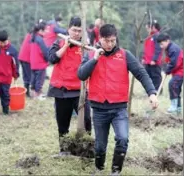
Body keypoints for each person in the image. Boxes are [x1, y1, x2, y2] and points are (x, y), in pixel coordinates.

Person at [78, 24, 158, 175]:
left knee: (123, 138)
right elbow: (81, 75)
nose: (109, 44)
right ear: (100, 38)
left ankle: (116, 171)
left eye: (113, 41)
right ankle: (99, 168)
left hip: (119, 109)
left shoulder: (125, 55)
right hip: (99, 108)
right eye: (106, 41)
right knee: (100, 145)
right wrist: (95, 59)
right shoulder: (90, 55)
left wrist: (152, 93)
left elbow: (141, 73)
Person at [47, 16, 91, 153]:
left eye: (79, 31)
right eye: (74, 30)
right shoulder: (59, 42)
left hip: (80, 90)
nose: (76, 33)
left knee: (86, 120)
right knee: (62, 121)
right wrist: (66, 45)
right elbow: (52, 59)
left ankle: (86, 149)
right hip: (62, 89)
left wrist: (87, 48)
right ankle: (64, 149)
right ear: (68, 29)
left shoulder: (85, 46)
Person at [157, 33, 183, 114]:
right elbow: (169, 62)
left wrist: (167, 71)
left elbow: (174, 63)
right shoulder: (169, 48)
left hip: (181, 71)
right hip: (177, 71)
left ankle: (174, 107)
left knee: (172, 85)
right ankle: (178, 108)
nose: (161, 46)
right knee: (177, 88)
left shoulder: (173, 49)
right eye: (159, 45)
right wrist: (167, 70)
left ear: (167, 41)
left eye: (162, 44)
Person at [142, 20, 163, 92]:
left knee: (156, 77)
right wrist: (143, 58)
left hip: (154, 62)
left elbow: (158, 49)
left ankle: (157, 91)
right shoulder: (149, 36)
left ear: (153, 27)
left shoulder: (157, 36)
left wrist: (154, 60)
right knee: (148, 76)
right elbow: (146, 48)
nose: (147, 30)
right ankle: (150, 91)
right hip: (148, 61)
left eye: (148, 28)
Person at [30, 21, 49, 99]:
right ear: (41, 31)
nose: (47, 32)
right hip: (40, 63)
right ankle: (37, 94)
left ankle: (34, 93)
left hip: (33, 62)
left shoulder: (33, 37)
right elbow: (44, 52)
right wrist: (48, 58)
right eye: (45, 30)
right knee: (40, 79)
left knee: (34, 78)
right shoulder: (40, 39)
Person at [18, 30, 32, 97]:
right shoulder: (32, 37)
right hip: (26, 58)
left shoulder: (28, 35)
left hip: (22, 57)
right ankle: (27, 93)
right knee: (28, 76)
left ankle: (26, 91)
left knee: (25, 76)